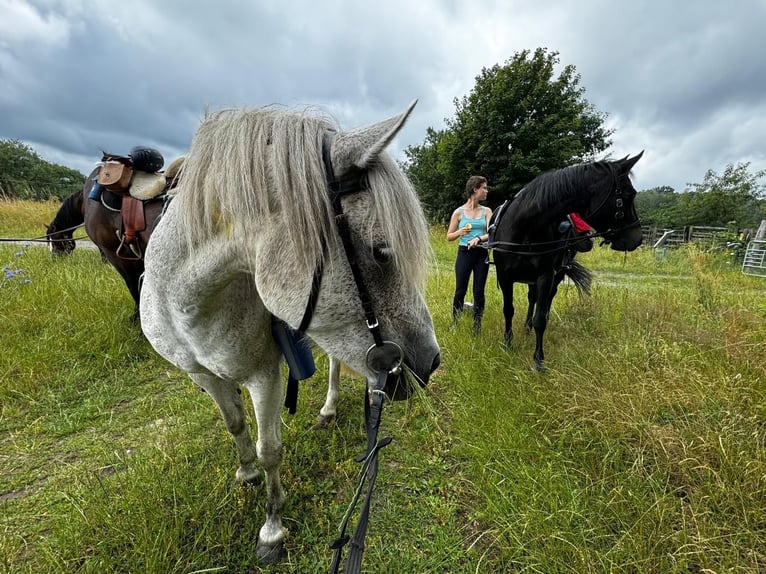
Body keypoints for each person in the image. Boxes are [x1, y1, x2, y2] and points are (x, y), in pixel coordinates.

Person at [447, 176, 493, 333]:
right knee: (460, 289)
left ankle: (477, 325)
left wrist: (478, 238)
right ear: (475, 189)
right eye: (484, 188)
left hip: (481, 254)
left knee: (478, 291)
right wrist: (461, 231)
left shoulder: (486, 211)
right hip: (464, 253)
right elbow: (449, 237)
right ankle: (455, 321)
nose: (486, 191)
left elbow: (491, 233)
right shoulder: (459, 213)